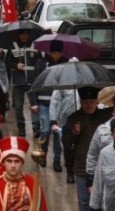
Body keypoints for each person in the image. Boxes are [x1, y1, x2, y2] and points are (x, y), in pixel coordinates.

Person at [61, 86, 112, 210]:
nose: (88, 105)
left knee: (103, 202)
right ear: (81, 102)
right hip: (82, 166)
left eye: (91, 102)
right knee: (84, 202)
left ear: (97, 102)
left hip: (103, 166)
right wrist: (74, 132)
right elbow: (66, 142)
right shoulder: (74, 118)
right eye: (85, 102)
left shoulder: (105, 116)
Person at [0, 136, 49, 210]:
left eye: (17, 161)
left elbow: (42, 208)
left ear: (22, 163)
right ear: (3, 163)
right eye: (9, 161)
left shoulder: (32, 183)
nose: (13, 165)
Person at [32, 40, 69, 171]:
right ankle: (43, 153)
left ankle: (57, 160)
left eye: (59, 53)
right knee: (45, 130)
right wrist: (34, 102)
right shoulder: (41, 63)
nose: (56, 55)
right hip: (44, 103)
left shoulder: (66, 64)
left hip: (60, 106)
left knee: (58, 134)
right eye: (54, 53)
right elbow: (35, 82)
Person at [4, 29, 38, 137]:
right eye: (22, 34)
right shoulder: (12, 46)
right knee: (18, 107)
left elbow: (39, 61)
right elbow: (7, 62)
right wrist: (15, 66)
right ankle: (21, 127)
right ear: (19, 35)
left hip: (32, 82)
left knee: (34, 105)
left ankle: (36, 128)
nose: (25, 36)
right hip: (18, 82)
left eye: (27, 34)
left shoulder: (35, 45)